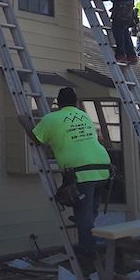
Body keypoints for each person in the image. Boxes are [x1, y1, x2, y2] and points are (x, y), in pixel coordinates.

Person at [18, 87, 111, 259]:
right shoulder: (84, 116)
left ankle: (87, 253)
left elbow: (36, 138)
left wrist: (25, 122)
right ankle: (88, 228)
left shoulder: (51, 119)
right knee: (90, 208)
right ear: (75, 102)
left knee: (83, 214)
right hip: (103, 168)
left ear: (58, 103)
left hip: (82, 172)